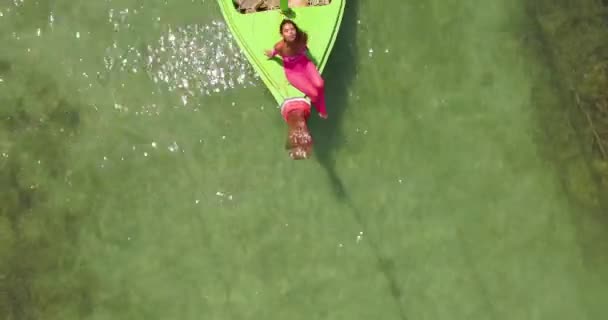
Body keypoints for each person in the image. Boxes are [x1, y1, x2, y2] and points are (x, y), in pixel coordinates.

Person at [265, 19, 328, 119]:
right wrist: (271, 54)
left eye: (292, 29)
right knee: (314, 93)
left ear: (296, 30)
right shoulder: (280, 46)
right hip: (292, 71)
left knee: (320, 84)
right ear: (282, 34)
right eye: (286, 31)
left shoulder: (302, 37)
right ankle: (321, 108)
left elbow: (305, 46)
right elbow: (275, 52)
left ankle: (320, 104)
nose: (290, 32)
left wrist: (305, 50)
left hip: (304, 63)